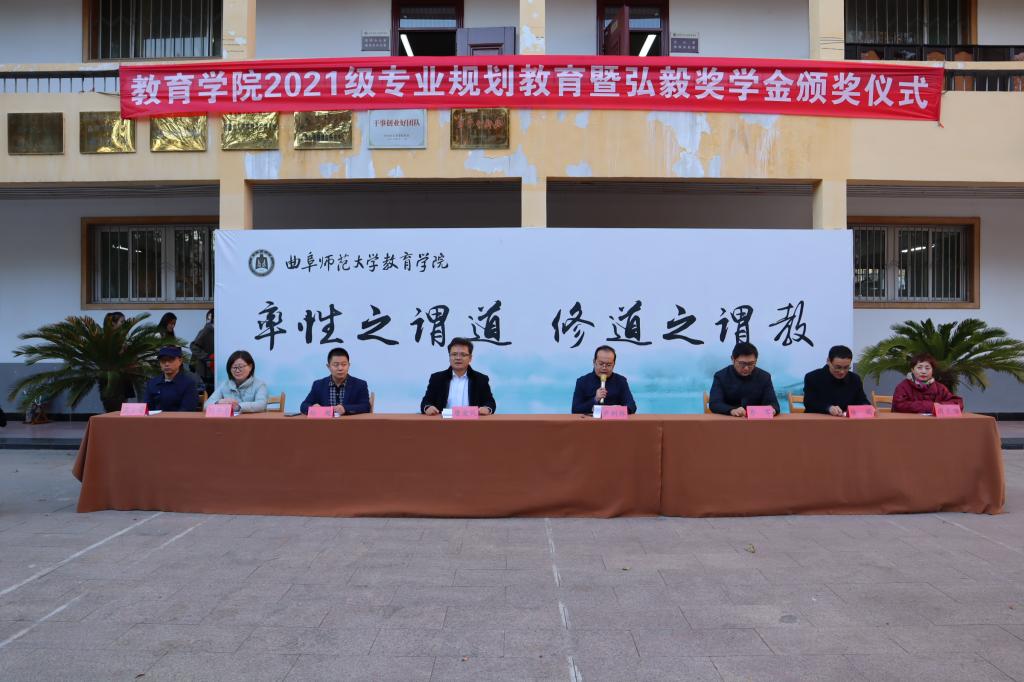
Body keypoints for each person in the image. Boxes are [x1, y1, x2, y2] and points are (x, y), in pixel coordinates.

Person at [421, 338, 496, 415]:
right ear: (449, 357)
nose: (458, 358)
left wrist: (487, 408)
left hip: (472, 421)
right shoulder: (437, 378)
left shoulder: (480, 379)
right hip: (443, 421)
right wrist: (428, 407)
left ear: (470, 358)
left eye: (463, 355)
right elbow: (426, 401)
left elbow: (490, 402)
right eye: (454, 354)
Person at [709, 342, 780, 417]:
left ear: (756, 360)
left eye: (751, 363)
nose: (746, 368)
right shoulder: (721, 376)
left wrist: (773, 410)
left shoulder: (764, 377)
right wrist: (732, 410)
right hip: (729, 420)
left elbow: (773, 404)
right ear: (733, 359)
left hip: (757, 421)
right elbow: (715, 404)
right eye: (742, 363)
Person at [300, 347, 371, 415]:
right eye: (336, 365)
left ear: (349, 365)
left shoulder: (360, 384)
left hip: (350, 423)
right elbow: (304, 406)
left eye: (344, 364)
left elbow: (366, 406)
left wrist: (345, 409)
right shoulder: (318, 385)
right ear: (328, 366)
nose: (340, 368)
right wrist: (312, 408)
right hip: (325, 423)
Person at [803, 345, 870, 416]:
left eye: (846, 367)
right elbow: (809, 402)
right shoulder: (813, 377)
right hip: (817, 420)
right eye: (838, 367)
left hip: (846, 421)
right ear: (828, 361)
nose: (842, 372)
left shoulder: (855, 379)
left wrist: (868, 408)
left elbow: (862, 401)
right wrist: (828, 408)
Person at [572, 345, 637, 414]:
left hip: (614, 420)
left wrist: (614, 410)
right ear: (594, 362)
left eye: (608, 365)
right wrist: (595, 399)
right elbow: (575, 409)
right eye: (601, 364)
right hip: (590, 420)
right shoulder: (582, 381)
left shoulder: (621, 381)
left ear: (613, 365)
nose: (604, 368)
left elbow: (632, 406)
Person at [893, 353, 964, 414]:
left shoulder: (940, 388)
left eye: (927, 368)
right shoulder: (903, 387)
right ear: (913, 370)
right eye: (919, 368)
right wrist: (930, 406)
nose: (923, 372)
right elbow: (898, 405)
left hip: (935, 424)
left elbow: (958, 403)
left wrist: (938, 406)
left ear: (932, 371)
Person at [142, 346, 199, 412]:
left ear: (180, 361)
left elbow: (188, 409)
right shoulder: (152, 383)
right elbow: (146, 408)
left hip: (179, 418)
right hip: (155, 418)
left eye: (171, 360)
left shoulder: (188, 384)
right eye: (163, 361)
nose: (167, 364)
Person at [190, 308, 215, 394]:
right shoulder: (207, 330)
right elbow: (193, 346)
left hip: (212, 369)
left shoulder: (217, 330)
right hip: (205, 369)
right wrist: (207, 357)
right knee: (206, 392)